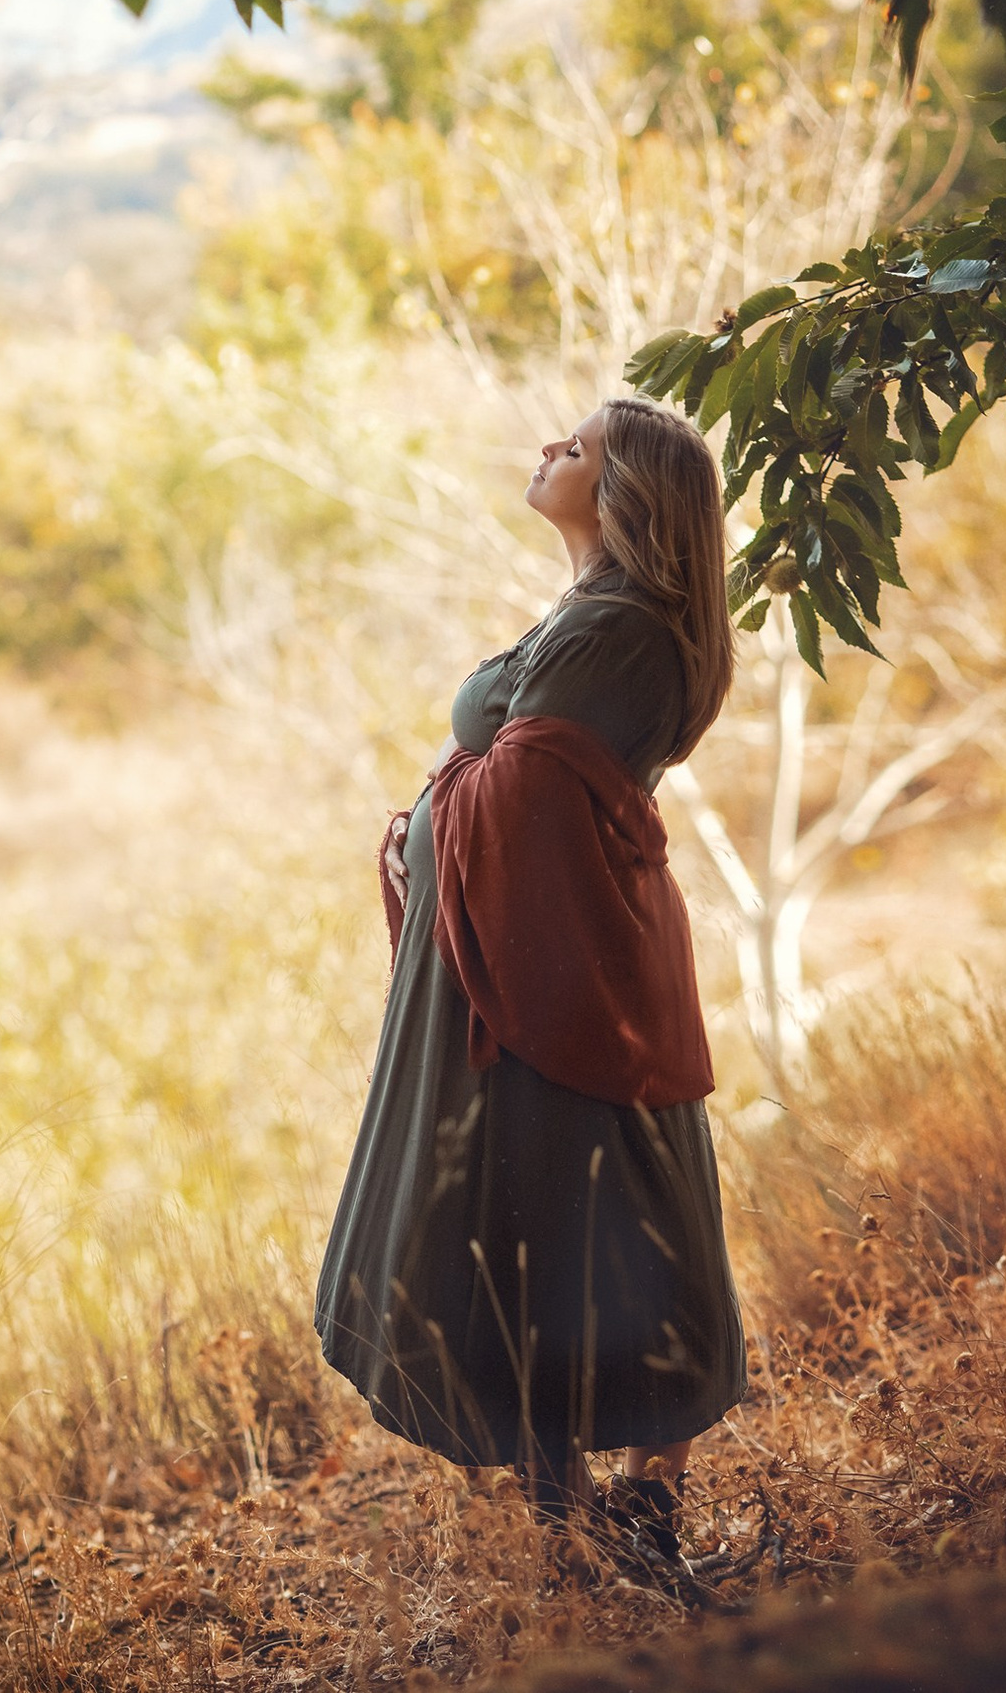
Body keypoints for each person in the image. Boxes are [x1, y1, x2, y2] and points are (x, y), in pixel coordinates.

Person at [314, 395, 746, 1564]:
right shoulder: (590, 615)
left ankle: (645, 1494)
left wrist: (423, 828)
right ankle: (572, 1519)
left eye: (580, 449)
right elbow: (520, 775)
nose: (549, 451)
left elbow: (530, 794)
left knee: (596, 1179)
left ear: (626, 494)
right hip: (536, 933)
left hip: (560, 947)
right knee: (536, 1189)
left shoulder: (623, 632)